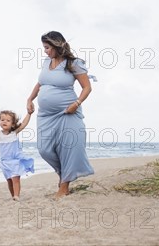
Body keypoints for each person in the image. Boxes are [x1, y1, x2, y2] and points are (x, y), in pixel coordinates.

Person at [26, 31, 94, 198]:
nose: (45, 51)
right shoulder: (46, 62)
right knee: (44, 149)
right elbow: (40, 82)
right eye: (44, 47)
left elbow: (87, 88)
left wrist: (76, 104)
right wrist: (30, 98)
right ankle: (63, 175)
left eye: (47, 47)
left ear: (57, 45)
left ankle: (64, 186)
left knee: (68, 149)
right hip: (46, 116)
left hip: (67, 112)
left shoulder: (73, 64)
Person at [0, 110, 35, 201]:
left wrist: (29, 113)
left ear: (13, 124)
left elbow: (24, 123)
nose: (5, 121)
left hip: (15, 160)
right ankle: (13, 196)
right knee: (9, 181)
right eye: (2, 119)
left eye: (8, 120)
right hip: (5, 162)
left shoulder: (14, 133)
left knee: (15, 178)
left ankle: (17, 195)